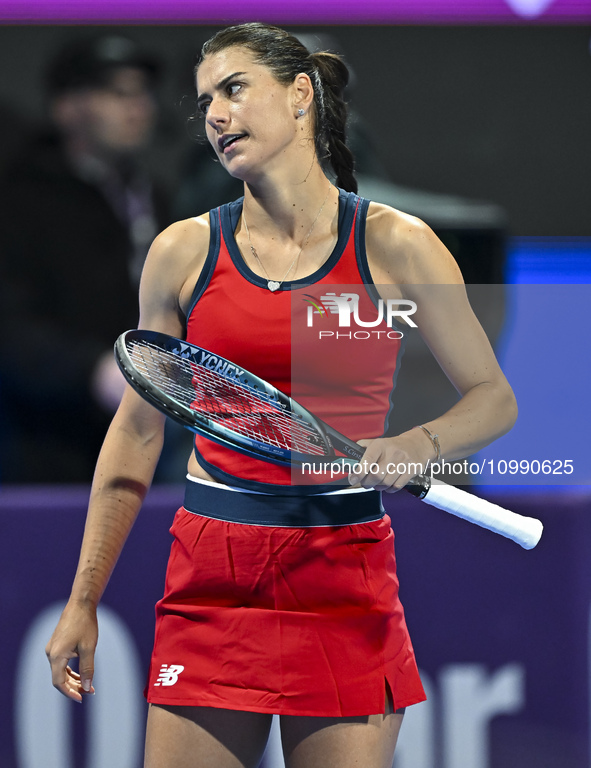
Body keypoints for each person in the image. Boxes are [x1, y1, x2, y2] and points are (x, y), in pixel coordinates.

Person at [45, 23, 517, 768]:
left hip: (343, 572)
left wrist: (416, 444)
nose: (215, 115)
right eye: (204, 102)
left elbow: (492, 398)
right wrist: (83, 599)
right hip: (212, 574)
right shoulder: (183, 252)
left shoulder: (397, 244)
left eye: (234, 89)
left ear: (300, 96)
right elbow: (136, 434)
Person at [0, 34, 169, 482]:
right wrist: (94, 372)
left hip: (152, 432)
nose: (138, 107)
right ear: (68, 108)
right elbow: (12, 327)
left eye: (142, 92)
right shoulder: (21, 204)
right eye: (117, 92)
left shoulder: (156, 199)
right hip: (47, 446)